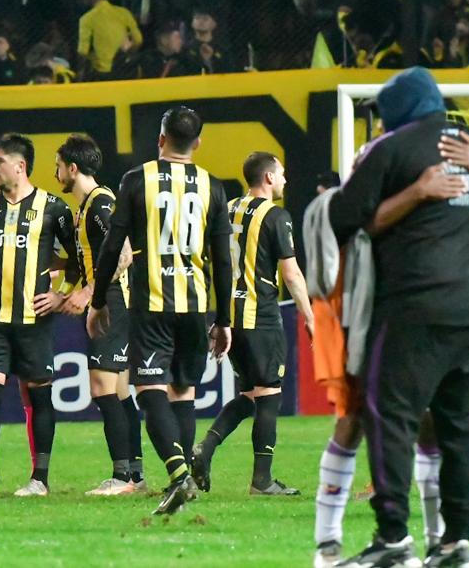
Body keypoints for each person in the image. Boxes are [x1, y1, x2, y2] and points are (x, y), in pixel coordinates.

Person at [327, 67, 469, 568]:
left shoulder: (390, 150)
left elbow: (344, 219)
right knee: (461, 427)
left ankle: (392, 539)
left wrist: (414, 193)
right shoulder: (468, 146)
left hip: (413, 308)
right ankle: (457, 543)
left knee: (390, 418)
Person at [88, 106, 233, 516]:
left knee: (150, 390)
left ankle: (179, 475)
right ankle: (182, 480)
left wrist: (98, 301)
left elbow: (112, 245)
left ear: (161, 139)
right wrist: (224, 320)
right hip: (195, 304)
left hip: (151, 303)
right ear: (197, 143)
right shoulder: (213, 186)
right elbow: (223, 260)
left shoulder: (136, 180)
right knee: (183, 391)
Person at [0, 133, 80, 498]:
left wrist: (61, 295)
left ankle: (39, 479)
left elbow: (78, 258)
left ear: (19, 166)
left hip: (34, 321)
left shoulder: (53, 208)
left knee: (40, 397)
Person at [190, 152, 313, 498]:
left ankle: (205, 449)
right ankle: (262, 480)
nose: (285, 179)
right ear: (269, 178)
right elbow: (291, 274)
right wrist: (310, 316)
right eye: (281, 173)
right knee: (269, 395)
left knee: (249, 395)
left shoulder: (226, 209)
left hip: (229, 318)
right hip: (260, 315)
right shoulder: (276, 216)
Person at [54, 134, 143, 495]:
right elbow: (89, 261)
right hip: (109, 301)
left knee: (101, 388)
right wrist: (65, 288)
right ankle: (135, 475)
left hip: (113, 302)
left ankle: (121, 478)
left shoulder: (101, 202)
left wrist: (90, 293)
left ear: (73, 168)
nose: (56, 173)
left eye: (59, 166)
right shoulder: (84, 209)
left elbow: (124, 255)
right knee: (119, 392)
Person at [77, 0, 143, 80]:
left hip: (103, 72)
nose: (81, 0)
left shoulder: (87, 19)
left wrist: (81, 71)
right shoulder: (124, 12)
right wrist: (127, 53)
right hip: (126, 68)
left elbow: (83, 51)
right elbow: (138, 40)